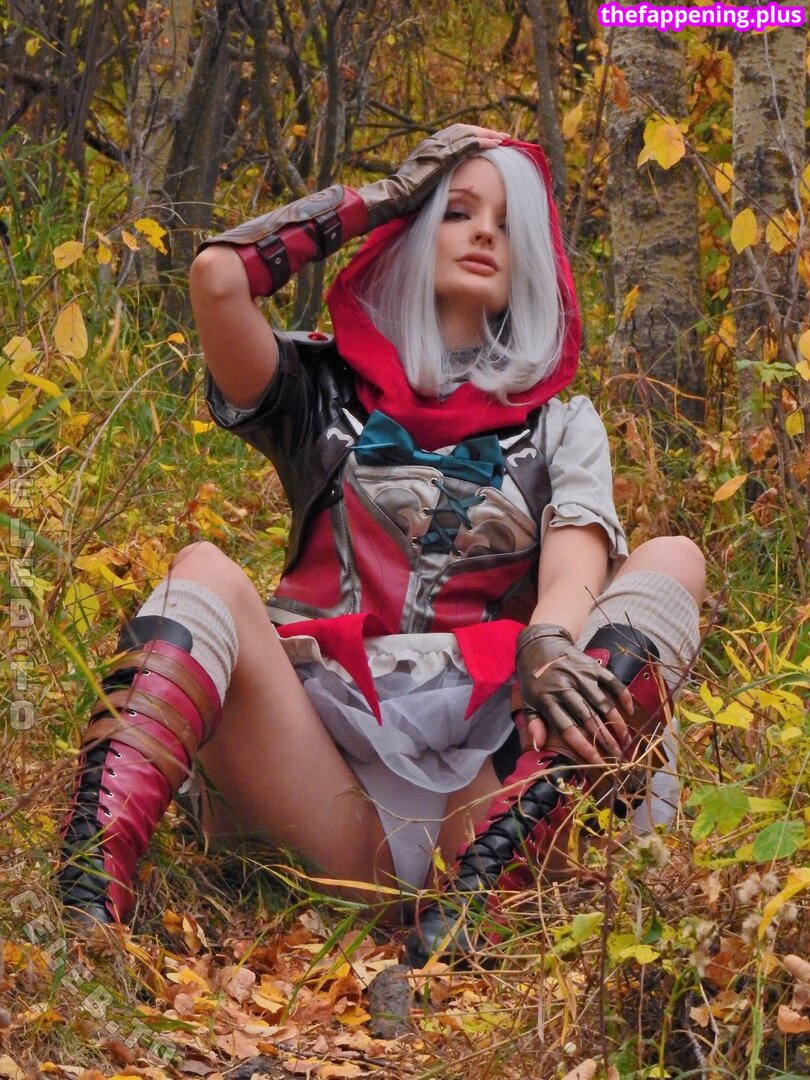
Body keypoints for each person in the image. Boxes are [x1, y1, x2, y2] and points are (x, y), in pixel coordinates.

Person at [57, 126, 705, 965]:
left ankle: (482, 907)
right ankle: (85, 903)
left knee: (674, 558)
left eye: (507, 225)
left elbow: (578, 559)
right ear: (416, 225)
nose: (483, 233)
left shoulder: (561, 426)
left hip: (485, 808)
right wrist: (379, 198)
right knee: (202, 571)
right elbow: (218, 280)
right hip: (322, 789)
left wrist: (547, 638)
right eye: (457, 211)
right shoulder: (320, 389)